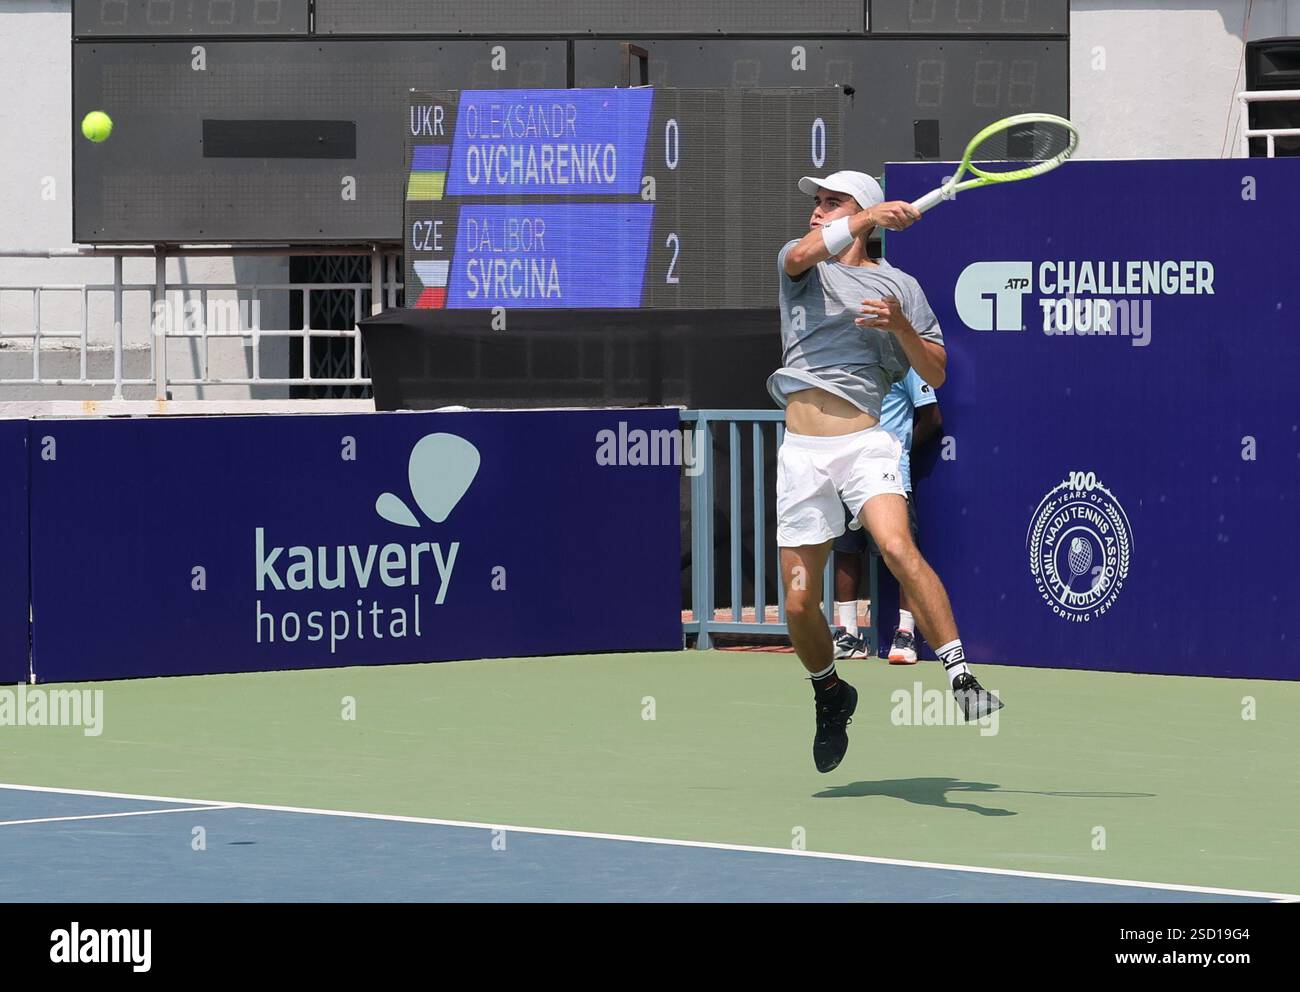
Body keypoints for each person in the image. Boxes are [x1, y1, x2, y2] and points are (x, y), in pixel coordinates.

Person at [769, 170, 1002, 773]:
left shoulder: (903, 286)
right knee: (798, 603)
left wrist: (899, 324)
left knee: (897, 546)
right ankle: (831, 691)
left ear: (863, 208)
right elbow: (799, 252)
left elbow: (939, 372)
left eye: (831, 202)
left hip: (867, 442)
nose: (818, 211)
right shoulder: (803, 267)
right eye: (816, 202)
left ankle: (961, 676)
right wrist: (867, 218)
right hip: (801, 451)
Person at [831, 368, 942, 665]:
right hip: (847, 476)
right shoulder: (852, 364)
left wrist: (899, 450)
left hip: (890, 478)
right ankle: (848, 635)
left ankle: (905, 635)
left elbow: (932, 418)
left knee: (901, 553)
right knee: (845, 550)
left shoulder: (908, 367)